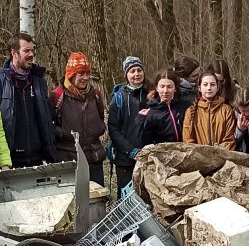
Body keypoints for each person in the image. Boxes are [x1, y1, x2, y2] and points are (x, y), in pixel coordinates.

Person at [0, 33, 54, 167]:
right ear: (14, 53)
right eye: (26, 51)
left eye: (32, 50)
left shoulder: (39, 82)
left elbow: (45, 120)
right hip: (9, 160)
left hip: (37, 159)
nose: (31, 54)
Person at [51, 51, 108, 187]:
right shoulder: (57, 96)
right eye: (80, 74)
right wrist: (63, 133)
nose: (85, 77)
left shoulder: (95, 95)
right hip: (69, 161)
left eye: (87, 73)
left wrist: (99, 129)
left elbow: (101, 118)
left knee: (97, 200)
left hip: (93, 159)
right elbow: (48, 126)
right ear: (71, 75)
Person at [107, 55, 148, 194]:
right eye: (132, 71)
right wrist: (129, 150)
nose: (136, 74)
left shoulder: (152, 94)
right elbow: (113, 129)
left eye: (139, 70)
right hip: (125, 159)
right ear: (126, 75)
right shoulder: (119, 98)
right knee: (127, 199)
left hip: (147, 157)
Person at [183, 68, 236, 147]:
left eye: (212, 84)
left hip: (222, 157)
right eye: (205, 84)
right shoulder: (191, 111)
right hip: (198, 157)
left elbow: (230, 140)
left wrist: (216, 153)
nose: (209, 88)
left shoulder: (226, 110)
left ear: (217, 87)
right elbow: (188, 140)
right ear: (199, 88)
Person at [136, 73, 186, 146]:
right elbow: (143, 139)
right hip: (162, 153)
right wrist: (140, 119)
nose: (165, 91)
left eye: (169, 87)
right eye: (162, 86)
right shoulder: (151, 111)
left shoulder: (183, 107)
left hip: (183, 151)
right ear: (157, 88)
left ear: (175, 88)